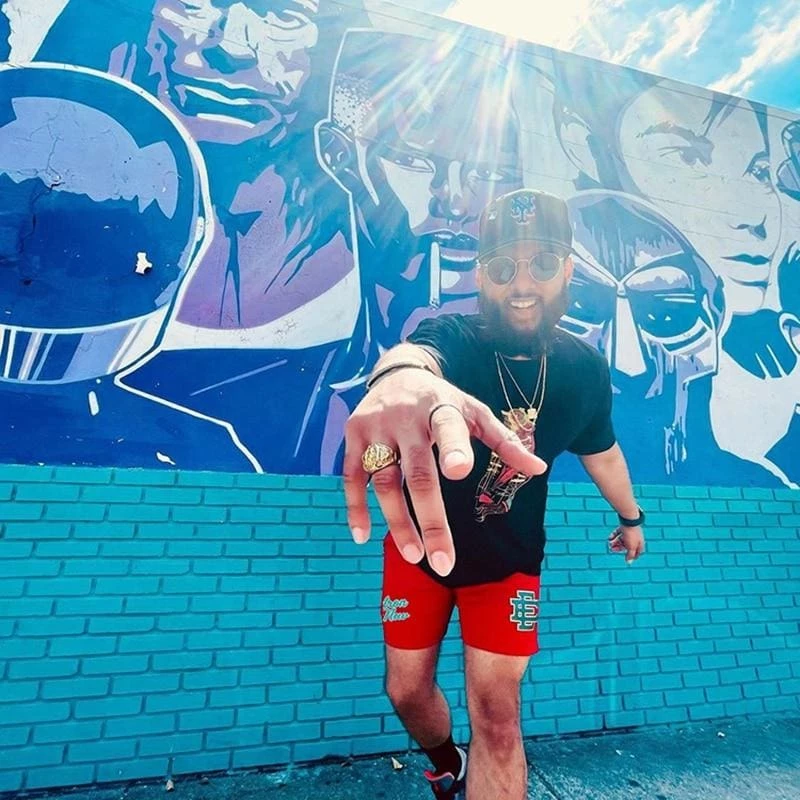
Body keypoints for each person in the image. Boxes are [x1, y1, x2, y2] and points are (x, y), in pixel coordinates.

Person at [343, 188, 646, 800]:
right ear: (482, 276)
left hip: (509, 565)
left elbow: (603, 451)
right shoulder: (453, 336)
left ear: (567, 269)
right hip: (420, 553)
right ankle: (446, 762)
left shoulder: (584, 369)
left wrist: (630, 517)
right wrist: (398, 376)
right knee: (405, 691)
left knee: (498, 716)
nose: (522, 284)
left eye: (542, 262)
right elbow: (415, 360)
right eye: (504, 267)